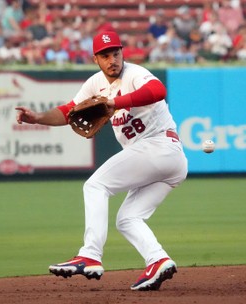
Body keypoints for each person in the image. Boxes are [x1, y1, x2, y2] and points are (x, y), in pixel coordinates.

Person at [15, 31, 188, 291]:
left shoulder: (134, 73)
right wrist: (37, 118)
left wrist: (115, 102)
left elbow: (158, 90)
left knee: (95, 186)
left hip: (159, 146)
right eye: (105, 55)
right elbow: (69, 111)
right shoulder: (95, 83)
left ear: (122, 53)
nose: (112, 60)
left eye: (115, 53)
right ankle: (158, 260)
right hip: (166, 160)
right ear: (96, 58)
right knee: (128, 218)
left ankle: (90, 254)